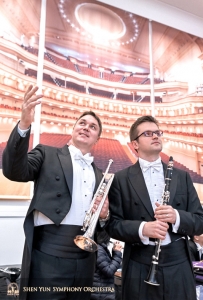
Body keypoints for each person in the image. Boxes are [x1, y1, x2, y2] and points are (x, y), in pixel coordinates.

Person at [2, 85, 110, 300]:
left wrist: (105, 216)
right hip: (49, 255)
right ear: (72, 129)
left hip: (85, 259)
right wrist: (24, 123)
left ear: (97, 138)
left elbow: (104, 228)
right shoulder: (46, 153)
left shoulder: (100, 174)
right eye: (82, 123)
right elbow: (14, 170)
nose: (86, 127)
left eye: (93, 126)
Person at [107, 115, 203, 300]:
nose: (155, 136)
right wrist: (143, 228)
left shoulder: (182, 176)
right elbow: (113, 225)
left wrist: (177, 217)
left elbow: (200, 221)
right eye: (148, 133)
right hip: (139, 262)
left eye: (158, 132)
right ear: (135, 144)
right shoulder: (120, 178)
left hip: (179, 262)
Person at [90, 230, 122, 300]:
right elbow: (109, 271)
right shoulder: (99, 249)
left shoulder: (100, 248)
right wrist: (117, 253)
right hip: (100, 294)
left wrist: (114, 252)